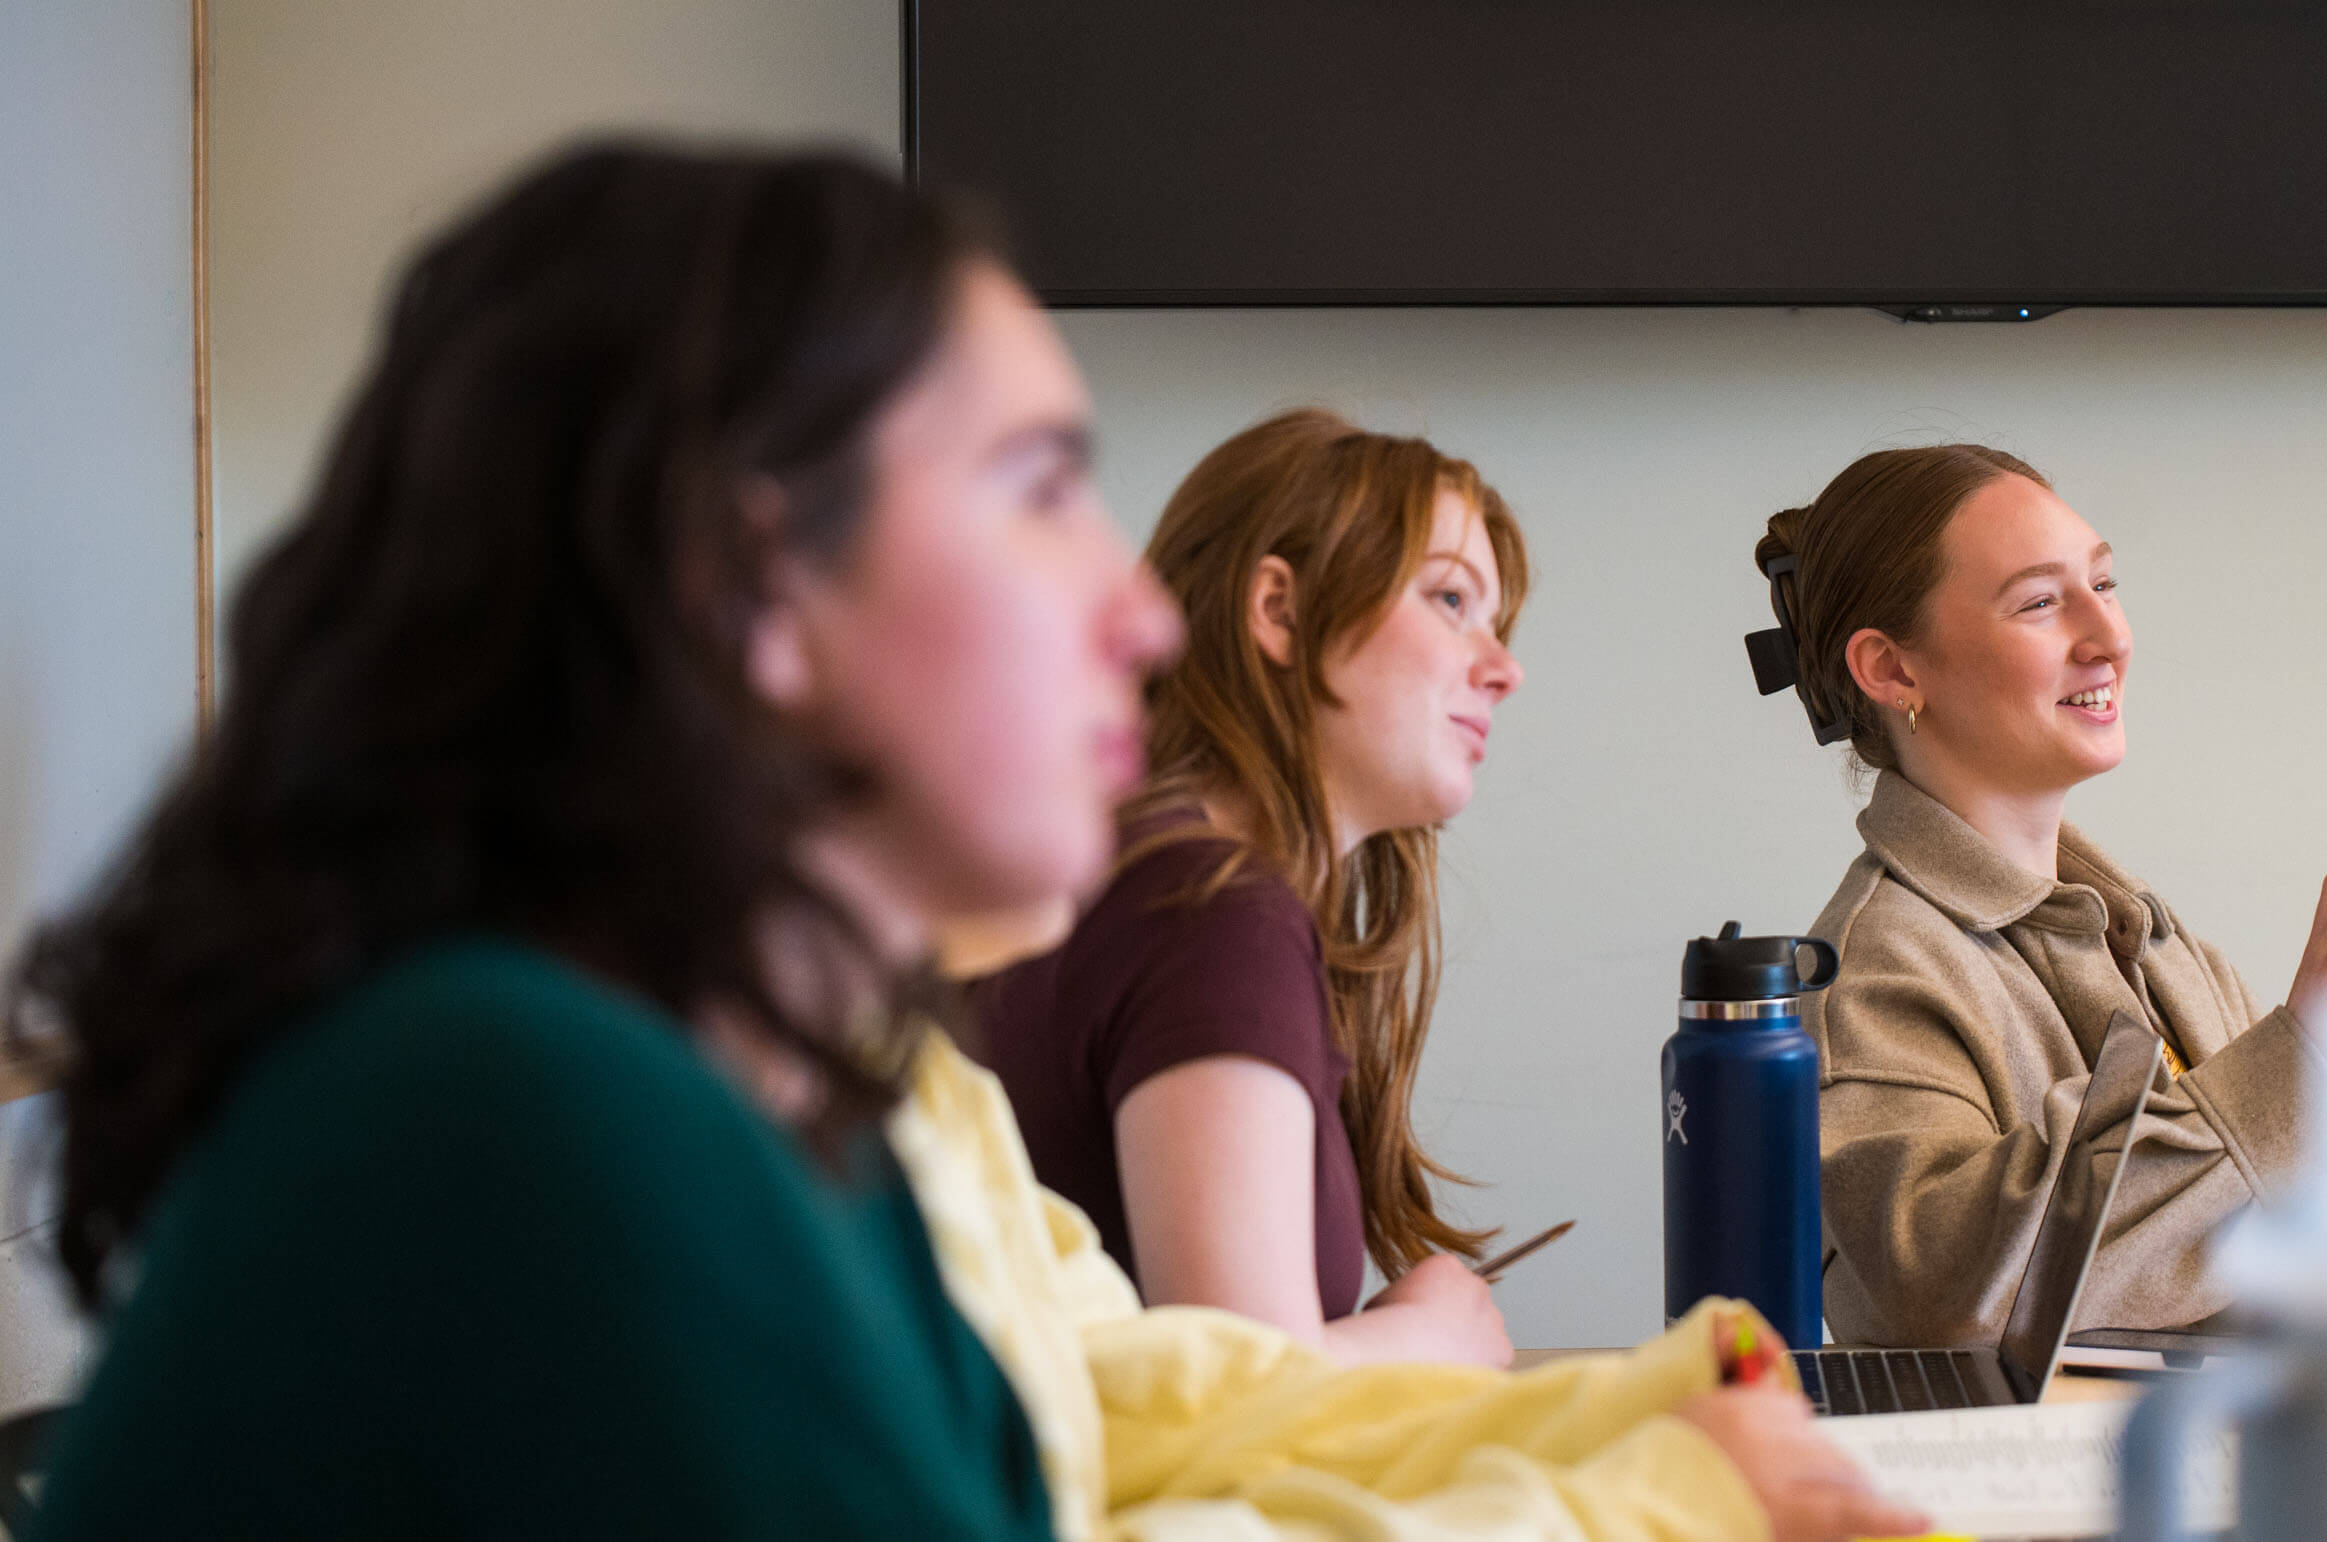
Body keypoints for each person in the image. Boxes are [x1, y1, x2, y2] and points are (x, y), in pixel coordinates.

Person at [11, 141, 1924, 1542]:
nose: (1141, 612)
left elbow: (1115, 1419)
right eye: (1035, 491)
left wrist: (1656, 1410)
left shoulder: (873, 1099)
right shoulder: (536, 1102)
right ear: (754, 578)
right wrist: (1658, 1495)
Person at [1749, 444, 2327, 1347]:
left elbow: (2247, 1234)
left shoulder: (2151, 938)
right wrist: (2290, 1059)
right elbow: (1943, 1292)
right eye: (2038, 602)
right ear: (1893, 670)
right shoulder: (1873, 978)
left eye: (2102, 585)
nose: (2107, 639)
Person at [966, 409, 1523, 1368]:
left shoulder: (1146, 877)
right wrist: (1430, 1337)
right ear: (1278, 609)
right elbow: (1241, 1382)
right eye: (1449, 599)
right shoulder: (1209, 912)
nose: (1502, 669)